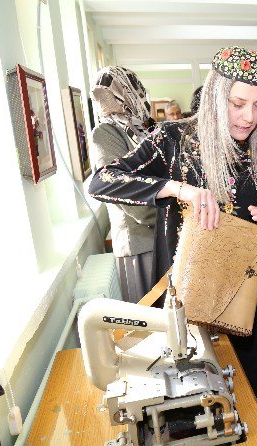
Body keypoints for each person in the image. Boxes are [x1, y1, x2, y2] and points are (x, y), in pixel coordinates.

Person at [89, 46, 257, 429]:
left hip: (245, 293)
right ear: (214, 96)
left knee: (253, 391)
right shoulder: (173, 139)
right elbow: (101, 180)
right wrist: (177, 189)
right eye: (239, 104)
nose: (249, 117)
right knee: (195, 399)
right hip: (190, 294)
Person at [89, 66, 157, 303]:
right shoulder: (105, 133)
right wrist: (166, 214)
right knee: (151, 321)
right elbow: (119, 188)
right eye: (99, 96)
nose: (105, 102)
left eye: (111, 95)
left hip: (158, 234)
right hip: (140, 242)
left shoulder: (141, 128)